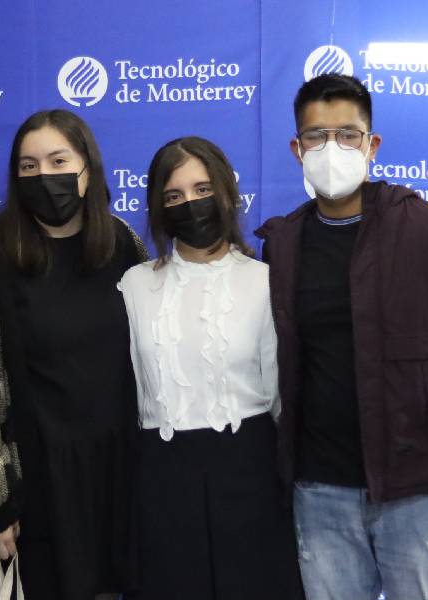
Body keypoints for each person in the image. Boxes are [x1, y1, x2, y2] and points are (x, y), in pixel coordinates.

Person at [255, 73, 428, 600]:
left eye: (348, 134)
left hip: (421, 490)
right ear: (296, 148)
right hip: (320, 490)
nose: (332, 148)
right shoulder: (282, 244)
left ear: (372, 145)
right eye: (316, 136)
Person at [0, 109, 147, 600]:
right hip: (33, 490)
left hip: (119, 485)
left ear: (87, 170)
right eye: (28, 166)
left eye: (58, 160)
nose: (44, 176)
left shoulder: (126, 246)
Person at [118, 137, 302, 600]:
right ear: (158, 208)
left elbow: (283, 394)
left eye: (202, 190)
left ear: (225, 192)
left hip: (253, 472)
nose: (191, 205)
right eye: (174, 196)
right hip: (162, 478)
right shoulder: (135, 284)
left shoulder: (266, 280)